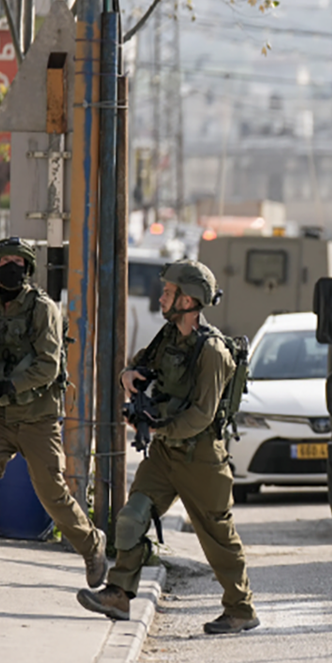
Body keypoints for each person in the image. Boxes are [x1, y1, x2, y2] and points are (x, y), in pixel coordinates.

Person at [77, 259, 259, 634]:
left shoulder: (211, 352)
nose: (161, 297)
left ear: (188, 300)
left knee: (218, 537)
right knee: (130, 518)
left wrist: (161, 428)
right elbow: (139, 367)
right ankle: (119, 594)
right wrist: (129, 377)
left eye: (168, 292)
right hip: (164, 454)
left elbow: (203, 415)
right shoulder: (168, 336)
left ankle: (240, 609)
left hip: (201, 458)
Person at [0, 237, 108, 589]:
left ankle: (91, 544)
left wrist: (8, 385)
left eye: (19, 261)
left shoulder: (43, 309)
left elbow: (48, 366)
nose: (13, 267)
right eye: (6, 261)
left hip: (38, 420)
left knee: (52, 495)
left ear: (28, 267)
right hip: (1, 420)